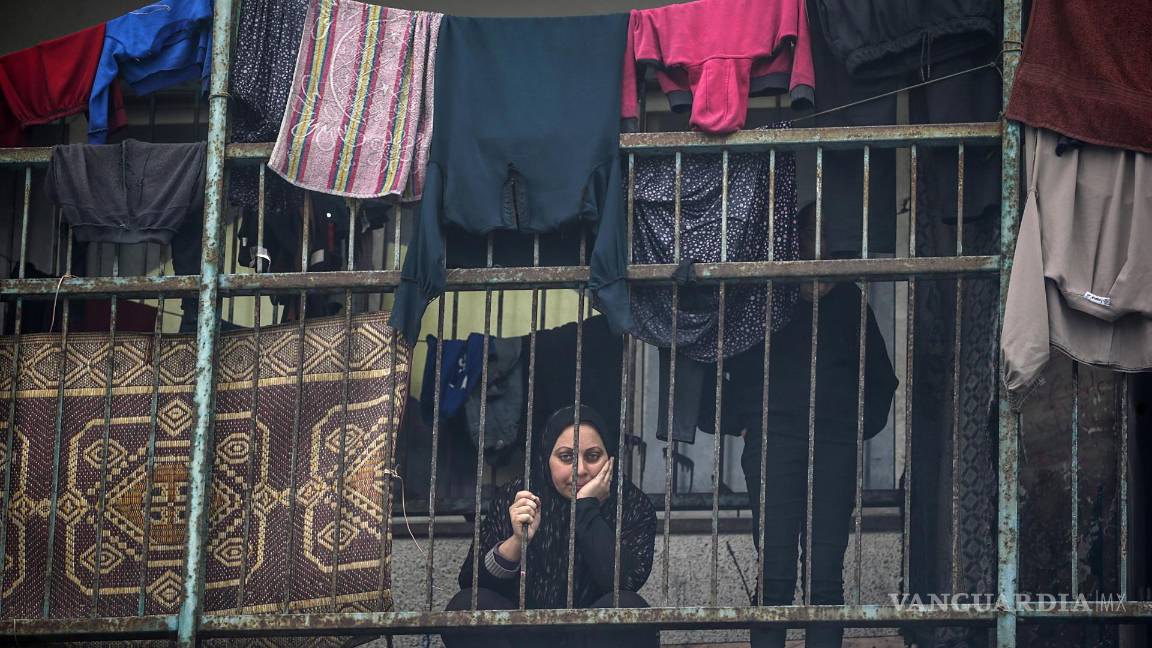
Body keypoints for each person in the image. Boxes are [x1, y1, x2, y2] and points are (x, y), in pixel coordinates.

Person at [726, 202, 899, 647]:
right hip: (773, 441)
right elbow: (731, 368)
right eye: (807, 238)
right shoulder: (769, 298)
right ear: (793, 244)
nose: (816, 248)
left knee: (825, 575)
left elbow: (881, 380)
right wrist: (743, 422)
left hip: (834, 445)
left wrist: (853, 428)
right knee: (776, 571)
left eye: (824, 240)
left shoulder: (849, 301)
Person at [444, 405, 659, 648]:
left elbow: (626, 584)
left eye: (593, 456)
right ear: (546, 458)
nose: (580, 470)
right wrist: (516, 543)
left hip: (590, 638)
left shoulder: (631, 504)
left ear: (610, 459)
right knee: (466, 606)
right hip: (524, 637)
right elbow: (471, 583)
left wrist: (586, 508)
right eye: (566, 457)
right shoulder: (518, 497)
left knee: (629, 609)